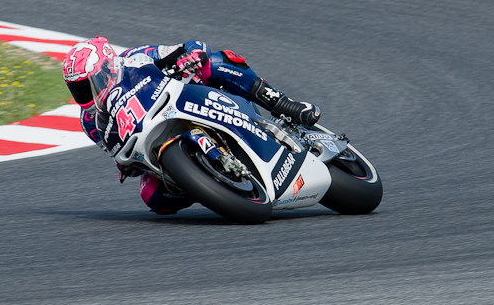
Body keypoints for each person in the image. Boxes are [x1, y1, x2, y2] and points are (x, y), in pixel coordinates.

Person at [62, 36, 320, 214]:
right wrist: (125, 166)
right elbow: (115, 154)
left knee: (218, 61)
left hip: (187, 99)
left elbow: (193, 46)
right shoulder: (90, 120)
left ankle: (282, 103)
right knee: (154, 199)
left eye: (87, 83)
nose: (84, 92)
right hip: (155, 142)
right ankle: (213, 183)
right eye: (77, 88)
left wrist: (190, 57)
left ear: (107, 67)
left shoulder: (135, 58)